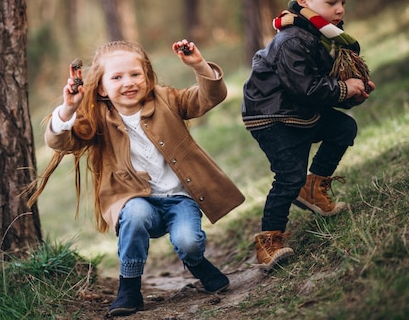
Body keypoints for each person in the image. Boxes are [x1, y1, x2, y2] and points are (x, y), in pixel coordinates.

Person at [27, 39, 245, 316]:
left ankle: (198, 263)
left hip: (180, 199)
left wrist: (199, 65)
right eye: (117, 77)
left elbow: (209, 98)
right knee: (136, 214)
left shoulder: (167, 99)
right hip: (135, 201)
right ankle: (129, 287)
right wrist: (69, 109)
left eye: (135, 74)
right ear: (102, 87)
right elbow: (60, 143)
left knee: (189, 242)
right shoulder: (97, 119)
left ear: (147, 76)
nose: (128, 82)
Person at [241, 0, 376, 270]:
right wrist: (342, 89)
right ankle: (269, 240)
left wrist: (352, 94)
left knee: (343, 128)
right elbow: (304, 87)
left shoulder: (324, 37)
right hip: (271, 116)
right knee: (288, 176)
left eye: (343, 2)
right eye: (332, 2)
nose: (340, 9)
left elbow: (318, 86)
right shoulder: (293, 40)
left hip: (298, 109)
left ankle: (314, 188)